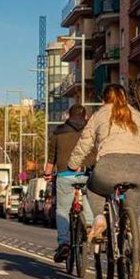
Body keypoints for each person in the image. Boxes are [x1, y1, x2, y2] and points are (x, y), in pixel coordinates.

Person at [68, 84, 140, 279]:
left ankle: (99, 218)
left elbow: (84, 144)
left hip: (109, 165)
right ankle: (139, 265)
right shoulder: (138, 115)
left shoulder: (99, 115)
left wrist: (73, 165)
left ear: (104, 99)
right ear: (125, 96)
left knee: (94, 189)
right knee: (136, 218)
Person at [44, 104, 95, 263]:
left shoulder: (58, 133)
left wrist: (47, 174)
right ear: (85, 116)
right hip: (87, 173)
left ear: (68, 116)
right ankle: (90, 230)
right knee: (88, 202)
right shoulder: (90, 131)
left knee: (63, 209)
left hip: (65, 175)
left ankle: (64, 243)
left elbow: (51, 160)